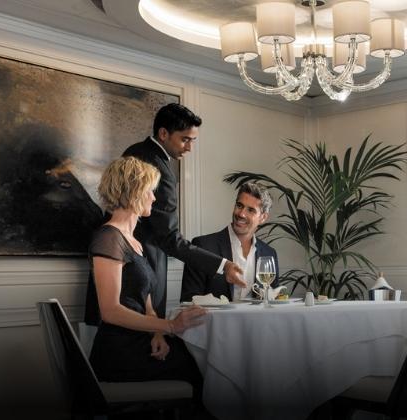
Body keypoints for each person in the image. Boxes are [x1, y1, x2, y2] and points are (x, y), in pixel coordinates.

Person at [85, 103, 245, 325]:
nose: (189, 147)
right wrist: (223, 265)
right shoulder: (160, 171)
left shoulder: (134, 152)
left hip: (129, 281)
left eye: (192, 141)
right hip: (136, 282)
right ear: (163, 133)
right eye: (185, 139)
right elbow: (169, 238)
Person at [87, 156, 205, 390]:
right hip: (120, 353)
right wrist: (170, 326)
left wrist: (157, 334)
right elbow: (110, 312)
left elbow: (147, 304)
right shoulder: (108, 238)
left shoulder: (134, 242)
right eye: (150, 190)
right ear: (134, 192)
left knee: (197, 361)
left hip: (140, 340)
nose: (154, 197)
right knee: (198, 368)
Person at [181, 182, 279, 302]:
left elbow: (272, 301)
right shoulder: (202, 246)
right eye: (239, 205)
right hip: (215, 321)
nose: (241, 214)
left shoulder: (269, 254)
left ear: (263, 218)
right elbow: (188, 301)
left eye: (251, 210)